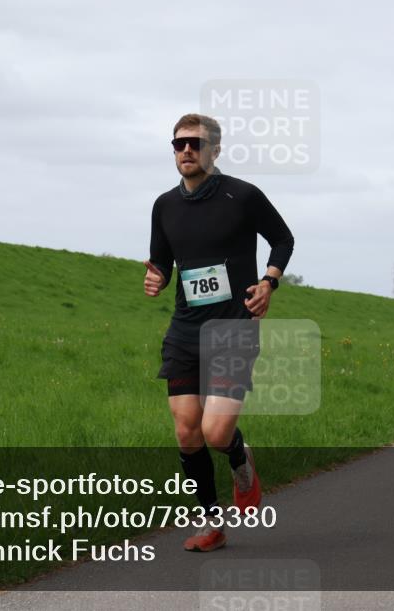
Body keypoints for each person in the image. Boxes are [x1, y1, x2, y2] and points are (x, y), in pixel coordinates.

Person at [144, 114, 294, 552]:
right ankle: (212, 524)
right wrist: (156, 279)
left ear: (215, 150)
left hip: (233, 329)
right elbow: (162, 263)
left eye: (195, 143)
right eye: (178, 144)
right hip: (185, 330)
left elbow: (282, 239)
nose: (186, 150)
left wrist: (269, 282)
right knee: (187, 430)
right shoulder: (164, 205)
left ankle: (239, 458)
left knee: (215, 432)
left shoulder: (242, 196)